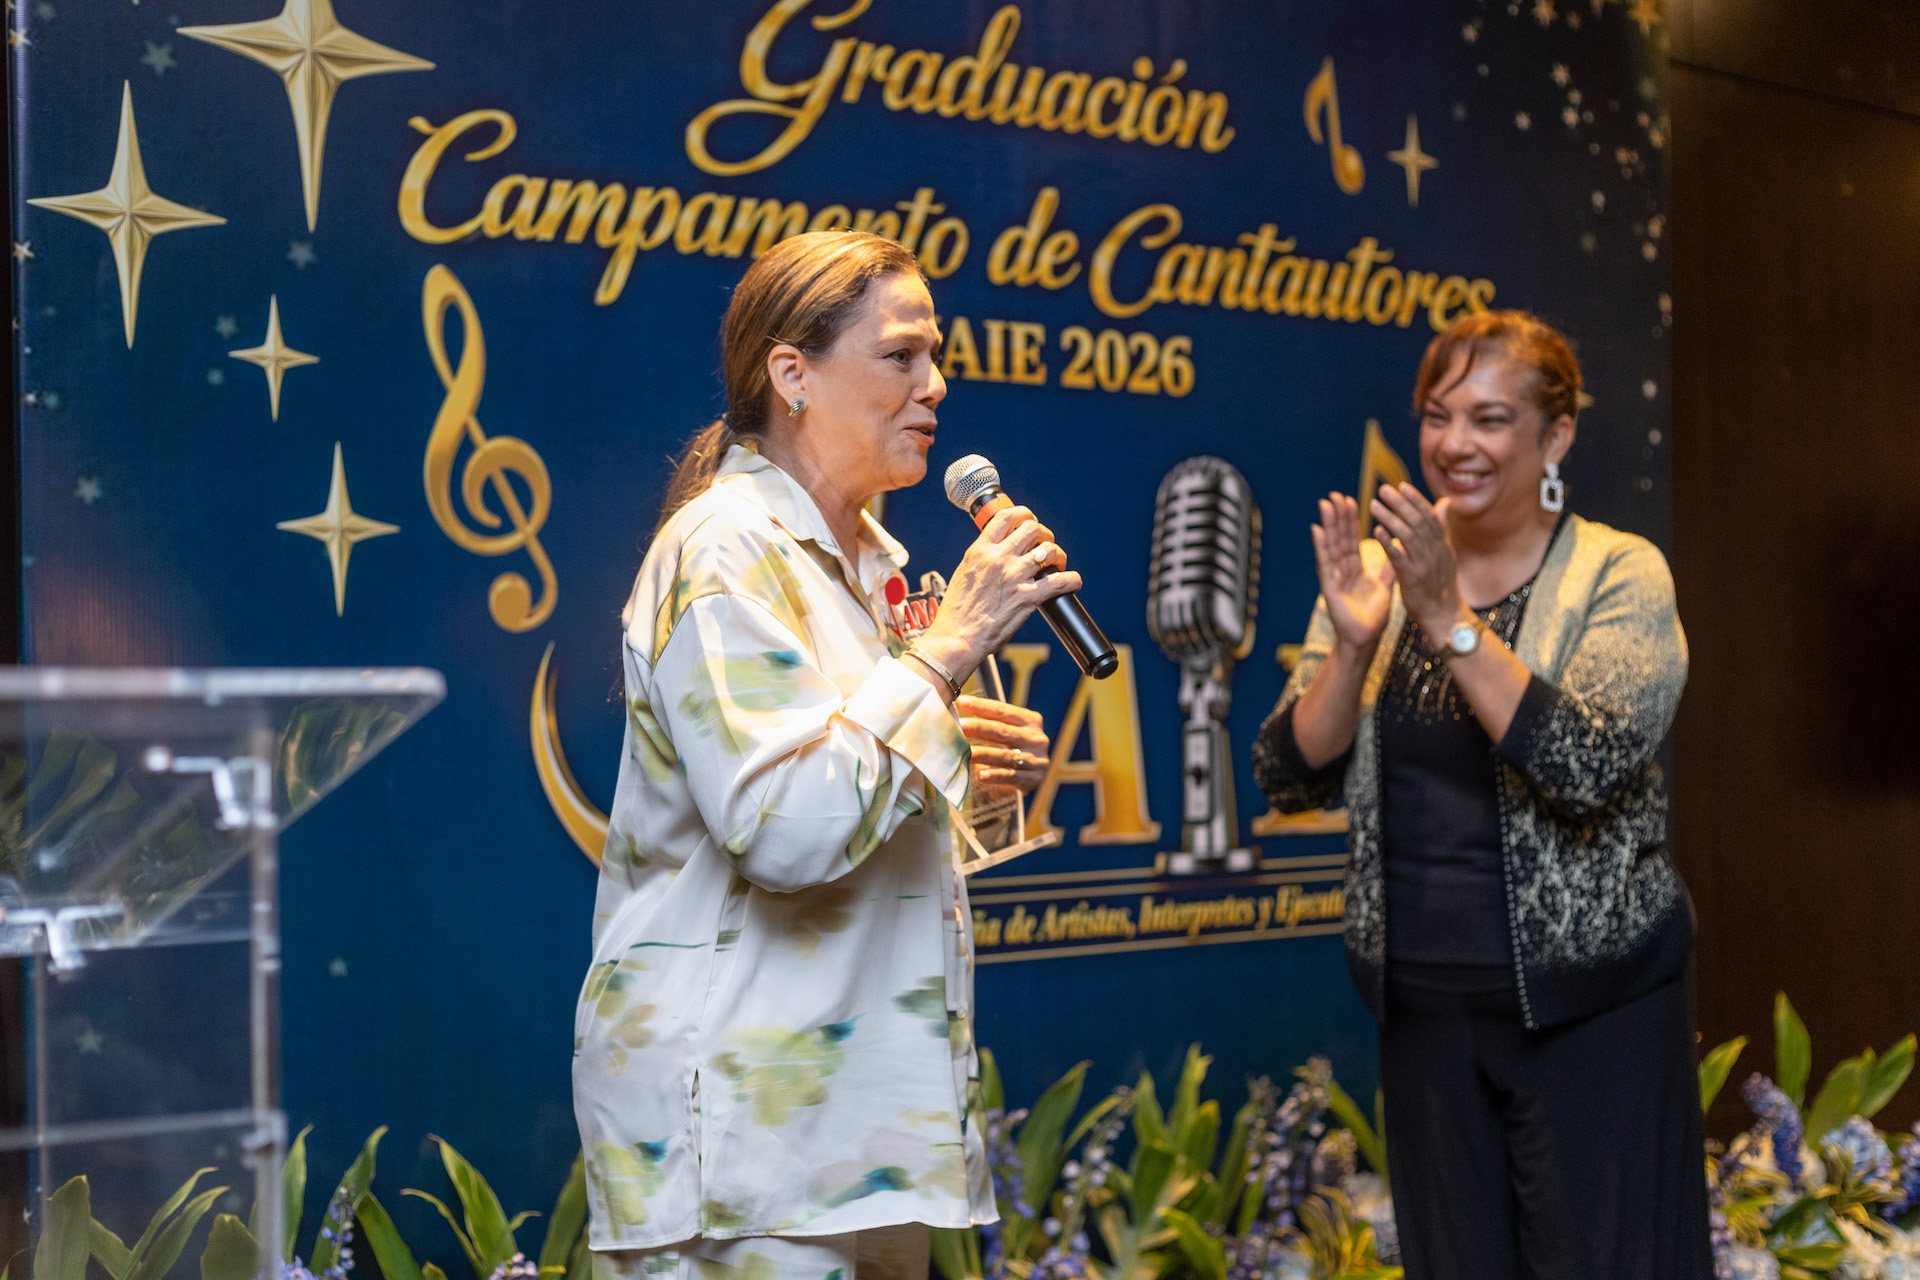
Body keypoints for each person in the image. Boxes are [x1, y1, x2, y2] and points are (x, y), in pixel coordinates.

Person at [572, 231, 1079, 1280]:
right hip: (747, 1142)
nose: (935, 385)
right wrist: (946, 653)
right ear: (791, 374)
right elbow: (784, 834)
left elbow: (859, 812)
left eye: (936, 357)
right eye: (901, 355)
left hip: (864, 1130)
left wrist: (958, 776)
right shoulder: (723, 547)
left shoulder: (874, 567)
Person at [1250, 311, 1710, 1279]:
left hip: (1593, 1017)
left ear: (1556, 435)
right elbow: (1289, 775)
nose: (1455, 443)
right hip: (1427, 1014)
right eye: (1437, 415)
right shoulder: (1384, 572)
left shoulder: (1618, 571)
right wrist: (1355, 644)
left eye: (1491, 419)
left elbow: (1586, 764)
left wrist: (1446, 615)